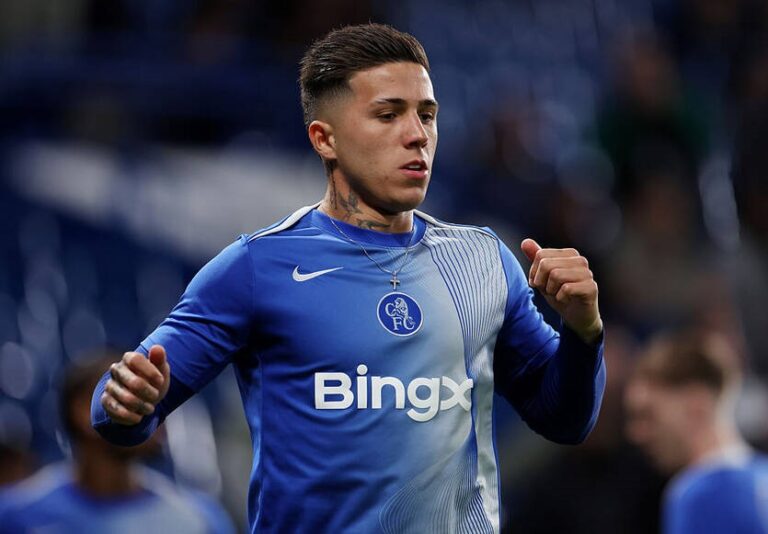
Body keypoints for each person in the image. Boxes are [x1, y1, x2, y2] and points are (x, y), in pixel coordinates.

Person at [91, 23, 606, 533]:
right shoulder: (257, 266)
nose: (417, 135)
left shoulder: (483, 260)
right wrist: (126, 404)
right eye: (388, 114)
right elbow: (117, 407)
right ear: (325, 139)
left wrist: (583, 332)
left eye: (427, 115)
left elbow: (564, 419)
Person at [0, 355, 235, 534]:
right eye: (132, 398)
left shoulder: (200, 521)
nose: (153, 411)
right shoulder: (15, 515)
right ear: (84, 411)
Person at [624, 331, 768, 534]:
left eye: (648, 415)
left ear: (696, 406)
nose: (636, 434)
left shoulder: (700, 496)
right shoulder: (762, 476)